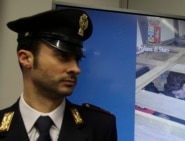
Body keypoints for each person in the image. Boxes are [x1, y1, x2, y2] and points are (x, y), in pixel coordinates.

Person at [0, 8, 117, 141]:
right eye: (63, 56)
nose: (76, 69)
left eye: (77, 59)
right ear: (26, 59)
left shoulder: (100, 127)